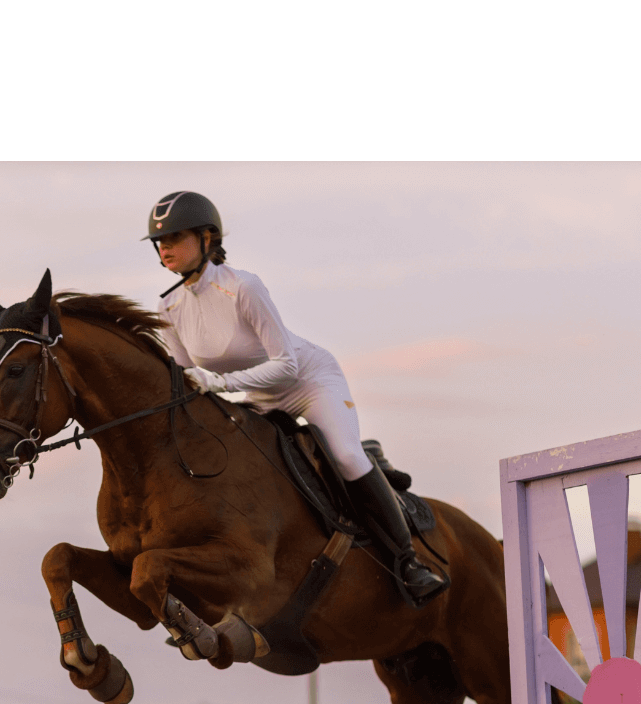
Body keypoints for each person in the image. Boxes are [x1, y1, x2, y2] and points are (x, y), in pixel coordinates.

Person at [145, 190, 448, 608]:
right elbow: (187, 383)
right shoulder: (167, 307)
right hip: (255, 397)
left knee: (344, 457)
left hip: (309, 383)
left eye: (175, 237)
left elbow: (284, 364)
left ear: (207, 238)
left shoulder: (244, 287)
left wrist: (216, 383)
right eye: (160, 242)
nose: (165, 248)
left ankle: (409, 562)